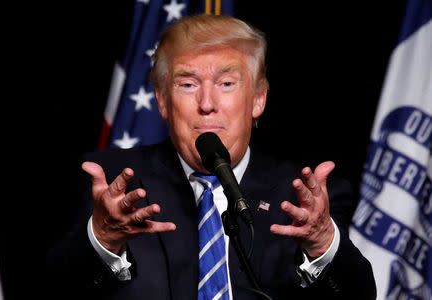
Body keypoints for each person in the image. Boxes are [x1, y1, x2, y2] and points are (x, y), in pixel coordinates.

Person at [46, 14, 376, 299]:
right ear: (162, 100)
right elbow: (52, 291)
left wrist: (322, 244)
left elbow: (357, 296)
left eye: (227, 83)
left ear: (258, 99)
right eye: (187, 85)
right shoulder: (109, 184)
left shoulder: (303, 193)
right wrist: (102, 239)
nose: (207, 103)